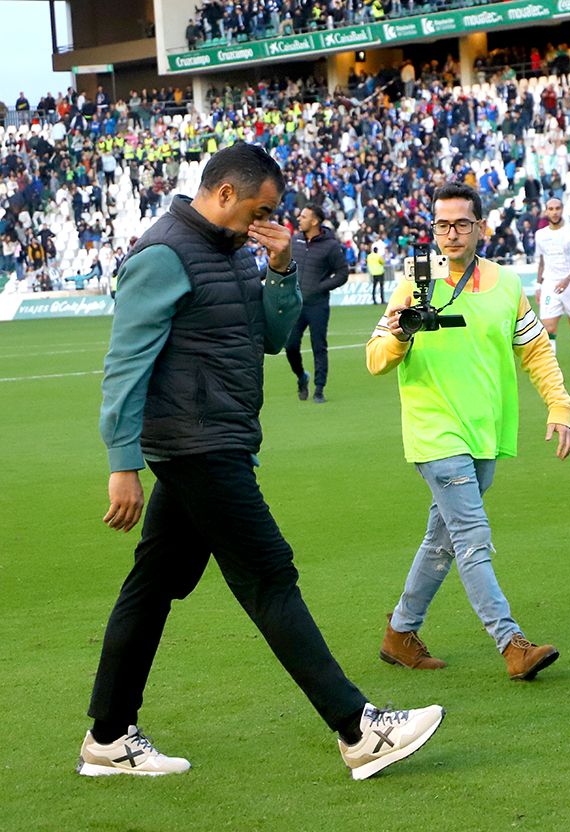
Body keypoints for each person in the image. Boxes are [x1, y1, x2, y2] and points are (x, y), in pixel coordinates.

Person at [85, 143, 442, 780]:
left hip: (221, 438)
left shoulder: (239, 255)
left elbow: (274, 340)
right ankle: (358, 728)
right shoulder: (163, 253)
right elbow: (125, 362)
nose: (268, 221)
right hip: (198, 445)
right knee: (270, 576)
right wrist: (123, 462)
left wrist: (281, 269)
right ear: (226, 193)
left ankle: (108, 737)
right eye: (262, 208)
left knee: (152, 586)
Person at [367, 182, 570, 681]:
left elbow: (536, 350)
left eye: (461, 223)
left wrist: (559, 406)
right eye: (442, 224)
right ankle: (512, 643)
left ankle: (400, 634)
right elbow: (375, 359)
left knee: (442, 540)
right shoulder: (416, 279)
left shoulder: (506, 283)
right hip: (435, 434)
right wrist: (399, 335)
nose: (451, 233)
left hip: (484, 434)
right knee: (472, 537)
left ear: (481, 226)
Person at [285, 205, 348, 404]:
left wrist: (321, 286)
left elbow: (342, 273)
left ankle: (319, 389)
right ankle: (302, 377)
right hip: (296, 303)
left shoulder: (330, 246)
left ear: (314, 221)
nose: (299, 218)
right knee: (290, 346)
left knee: (318, 346)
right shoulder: (294, 241)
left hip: (318, 305)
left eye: (303, 216)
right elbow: (282, 263)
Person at [534, 197, 570, 382]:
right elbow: (541, 261)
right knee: (548, 328)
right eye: (551, 208)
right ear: (546, 211)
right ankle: (552, 373)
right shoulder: (540, 234)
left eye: (557, 208)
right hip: (550, 284)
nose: (554, 212)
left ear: (562, 209)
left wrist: (567, 280)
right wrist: (539, 285)